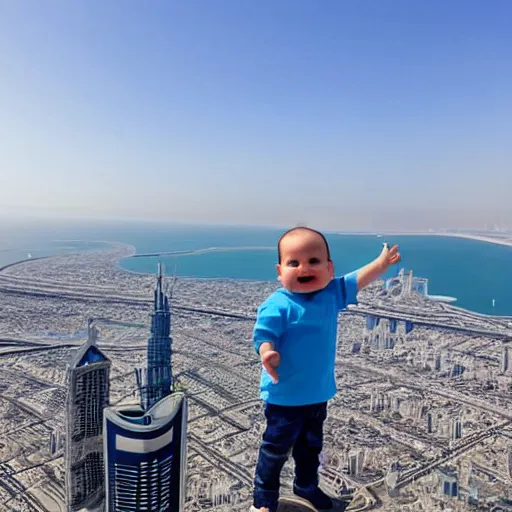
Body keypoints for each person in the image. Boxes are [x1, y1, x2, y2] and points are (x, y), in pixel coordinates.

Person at [250, 227, 400, 512]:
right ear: (279, 271)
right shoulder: (277, 304)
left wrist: (381, 265)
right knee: (274, 451)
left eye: (314, 261)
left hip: (317, 395)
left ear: (329, 269)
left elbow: (358, 279)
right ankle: (264, 499)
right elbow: (264, 334)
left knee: (311, 449)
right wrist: (267, 353)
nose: (304, 267)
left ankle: (306, 487)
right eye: (294, 263)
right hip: (284, 397)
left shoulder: (331, 294)